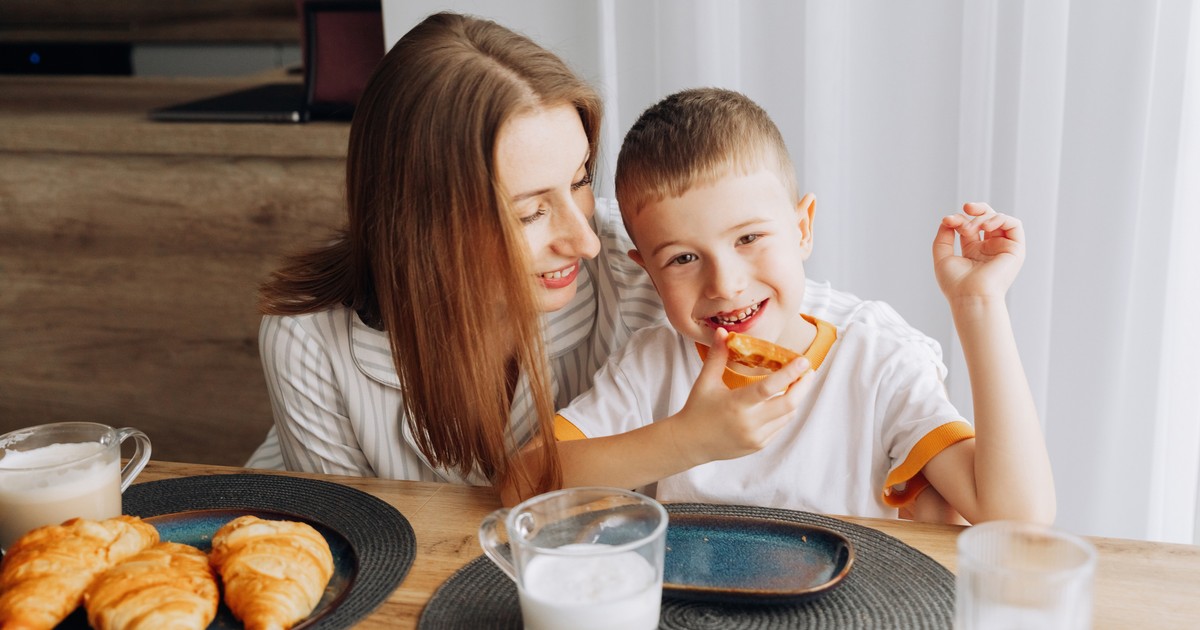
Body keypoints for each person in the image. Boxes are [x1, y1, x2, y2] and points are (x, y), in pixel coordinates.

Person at [245, 13, 943, 500]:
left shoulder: (635, 256)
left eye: (578, 180)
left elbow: (793, 306)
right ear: (422, 226)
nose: (582, 238)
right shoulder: (309, 340)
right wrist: (684, 440)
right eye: (529, 212)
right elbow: (353, 548)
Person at [543, 88, 1056, 524]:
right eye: (683, 259)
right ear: (648, 272)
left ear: (802, 228)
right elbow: (528, 479)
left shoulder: (879, 363)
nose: (725, 283)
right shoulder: (651, 364)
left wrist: (978, 303)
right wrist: (687, 440)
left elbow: (1018, 520)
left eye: (748, 238)